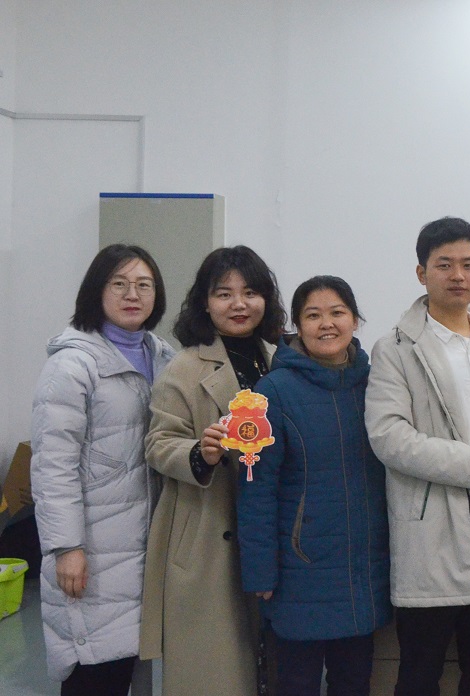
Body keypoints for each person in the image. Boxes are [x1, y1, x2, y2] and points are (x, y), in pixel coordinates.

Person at [365, 216, 470, 696]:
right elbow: (389, 437)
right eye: (444, 265)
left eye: (468, 264)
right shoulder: (395, 349)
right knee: (419, 675)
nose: (458, 275)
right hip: (433, 542)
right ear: (421, 273)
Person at [140, 245, 287, 695]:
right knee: (218, 667)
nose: (239, 304)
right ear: (205, 302)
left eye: (250, 293)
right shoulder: (184, 367)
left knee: (277, 662)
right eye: (224, 294)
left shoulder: (281, 357)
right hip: (210, 530)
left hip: (271, 526)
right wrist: (197, 452)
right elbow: (158, 443)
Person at [237, 275, 392, 696]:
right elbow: (256, 489)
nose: (327, 324)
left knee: (354, 683)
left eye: (337, 312)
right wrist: (260, 572)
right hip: (299, 571)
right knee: (296, 684)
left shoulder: (377, 385)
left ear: (355, 320)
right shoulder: (271, 391)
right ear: (297, 326)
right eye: (313, 315)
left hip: (364, 568)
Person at [30, 244, 175, 695]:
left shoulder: (163, 356)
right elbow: (53, 467)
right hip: (95, 549)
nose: (133, 294)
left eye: (144, 285)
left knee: (132, 667)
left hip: (145, 545)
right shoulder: (72, 364)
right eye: (119, 284)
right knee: (95, 670)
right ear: (97, 291)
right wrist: (66, 547)